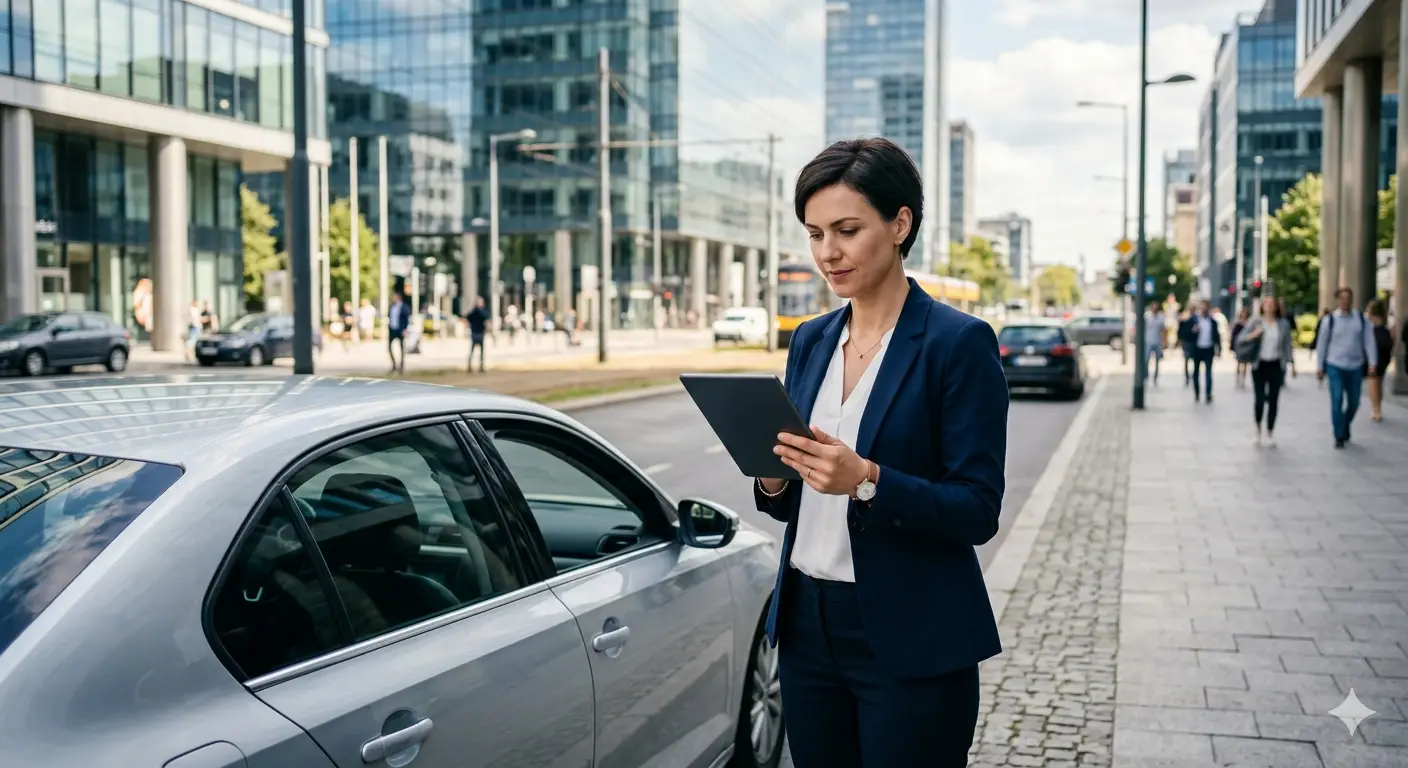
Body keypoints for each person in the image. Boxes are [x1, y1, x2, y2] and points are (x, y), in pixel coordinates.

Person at [753, 137, 1007, 767]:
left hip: (909, 633)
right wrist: (775, 478)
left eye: (846, 230)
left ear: (900, 224)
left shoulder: (958, 343)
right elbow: (796, 500)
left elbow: (977, 510)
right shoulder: (810, 340)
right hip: (807, 626)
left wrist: (867, 479)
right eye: (815, 234)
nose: (827, 253)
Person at [1315, 287, 1377, 447]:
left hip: (1355, 366)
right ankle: (1339, 435)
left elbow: (1369, 341)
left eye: (1348, 298)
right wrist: (1320, 366)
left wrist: (1372, 363)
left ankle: (1344, 424)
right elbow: (1322, 344)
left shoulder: (1361, 319)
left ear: (1352, 300)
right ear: (1337, 300)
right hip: (1335, 364)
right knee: (1337, 400)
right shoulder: (1330, 320)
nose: (1345, 301)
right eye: (1342, 298)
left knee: (1354, 402)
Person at [1235, 296, 1295, 446]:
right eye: (1266, 303)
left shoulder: (1283, 324)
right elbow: (1240, 339)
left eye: (1271, 303)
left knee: (1274, 399)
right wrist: (1253, 335)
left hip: (1276, 364)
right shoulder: (1256, 322)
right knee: (1259, 400)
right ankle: (1257, 430)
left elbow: (1287, 345)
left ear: (1276, 307)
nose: (1269, 306)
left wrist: (1292, 364)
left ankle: (1269, 432)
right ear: (1262, 306)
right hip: (1259, 365)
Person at [1366, 299, 1394, 422]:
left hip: (1376, 351)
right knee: (1379, 381)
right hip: (1384, 353)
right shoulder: (1385, 322)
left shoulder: (1371, 323)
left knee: (1373, 381)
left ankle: (1375, 410)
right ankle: (1378, 408)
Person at [1189, 300, 1220, 403]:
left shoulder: (1213, 322)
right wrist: (1193, 330)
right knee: (1196, 373)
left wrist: (1218, 349)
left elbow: (1216, 336)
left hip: (1208, 349)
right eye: (1202, 307)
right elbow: (1187, 333)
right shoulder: (1195, 321)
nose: (1204, 309)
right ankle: (1197, 393)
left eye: (1206, 307)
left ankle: (1208, 394)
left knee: (1208, 373)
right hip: (1197, 349)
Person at [387, 291, 411, 373]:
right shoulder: (392, 306)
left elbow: (406, 319)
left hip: (401, 330)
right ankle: (394, 365)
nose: (393, 298)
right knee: (389, 347)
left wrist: (405, 329)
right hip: (392, 329)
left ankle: (401, 365)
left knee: (402, 348)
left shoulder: (404, 307)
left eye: (394, 297)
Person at [1143, 302, 1165, 385]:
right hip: (1148, 341)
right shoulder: (1147, 317)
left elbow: (1163, 330)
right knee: (1146, 360)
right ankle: (1146, 376)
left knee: (1157, 361)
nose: (1155, 310)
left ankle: (1155, 378)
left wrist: (1164, 342)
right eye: (1153, 308)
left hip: (1157, 342)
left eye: (1156, 308)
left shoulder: (1161, 317)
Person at [466, 297, 488, 373]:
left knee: (473, 351)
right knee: (480, 351)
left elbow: (468, 318)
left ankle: (471, 366)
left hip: (475, 333)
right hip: (479, 333)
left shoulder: (473, 312)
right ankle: (479, 366)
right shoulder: (481, 312)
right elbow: (485, 317)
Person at [1230, 307, 1250, 389]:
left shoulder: (1248, 324)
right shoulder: (1237, 324)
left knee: (1245, 364)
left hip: (1246, 346)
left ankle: (1243, 381)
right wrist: (1232, 347)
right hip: (1239, 346)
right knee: (1238, 363)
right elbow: (1234, 336)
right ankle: (1237, 380)